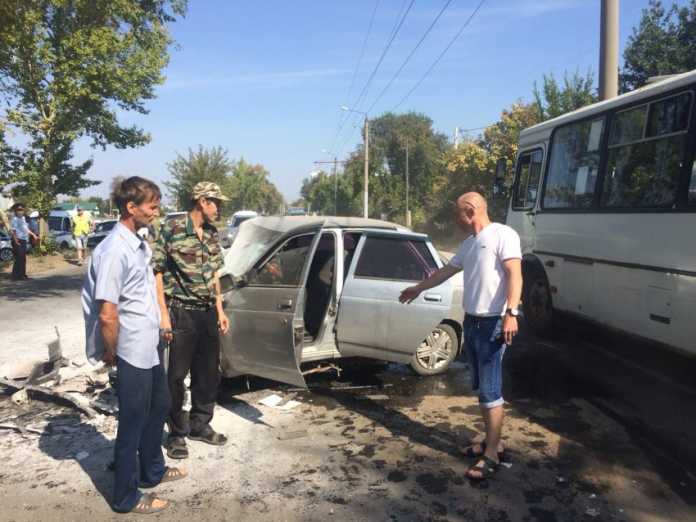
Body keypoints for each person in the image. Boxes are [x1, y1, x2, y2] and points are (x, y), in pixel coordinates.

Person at [399, 192, 522, 481]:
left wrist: (511, 313)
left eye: (457, 212)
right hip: (473, 322)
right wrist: (419, 288)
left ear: (470, 210)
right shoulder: (469, 244)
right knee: (482, 388)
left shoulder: (503, 234)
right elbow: (446, 272)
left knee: (491, 390)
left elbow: (515, 274)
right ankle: (495, 442)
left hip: (494, 323)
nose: (455, 218)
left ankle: (491, 454)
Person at [82, 177, 186, 514]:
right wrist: (111, 351)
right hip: (129, 349)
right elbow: (108, 313)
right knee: (132, 420)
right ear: (131, 207)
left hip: (148, 343)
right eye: (152, 206)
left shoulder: (137, 242)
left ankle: (151, 471)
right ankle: (125, 497)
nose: (157, 212)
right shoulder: (113, 250)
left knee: (160, 405)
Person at [152, 181, 230, 460]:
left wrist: (220, 310)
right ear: (201, 201)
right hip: (181, 312)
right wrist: (164, 315)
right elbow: (157, 273)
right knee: (175, 377)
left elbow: (215, 275)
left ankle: (200, 424)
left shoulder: (211, 234)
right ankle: (176, 433)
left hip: (208, 312)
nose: (218, 207)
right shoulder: (171, 229)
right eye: (215, 202)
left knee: (208, 374)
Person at [9, 203, 38, 281]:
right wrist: (16, 241)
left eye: (21, 210)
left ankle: (20, 275)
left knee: (22, 258)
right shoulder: (14, 219)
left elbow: (26, 229)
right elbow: (13, 231)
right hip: (17, 240)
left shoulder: (23, 218)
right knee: (19, 258)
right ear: (15, 211)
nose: (20, 211)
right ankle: (17, 275)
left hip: (24, 240)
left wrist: (33, 235)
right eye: (18, 210)